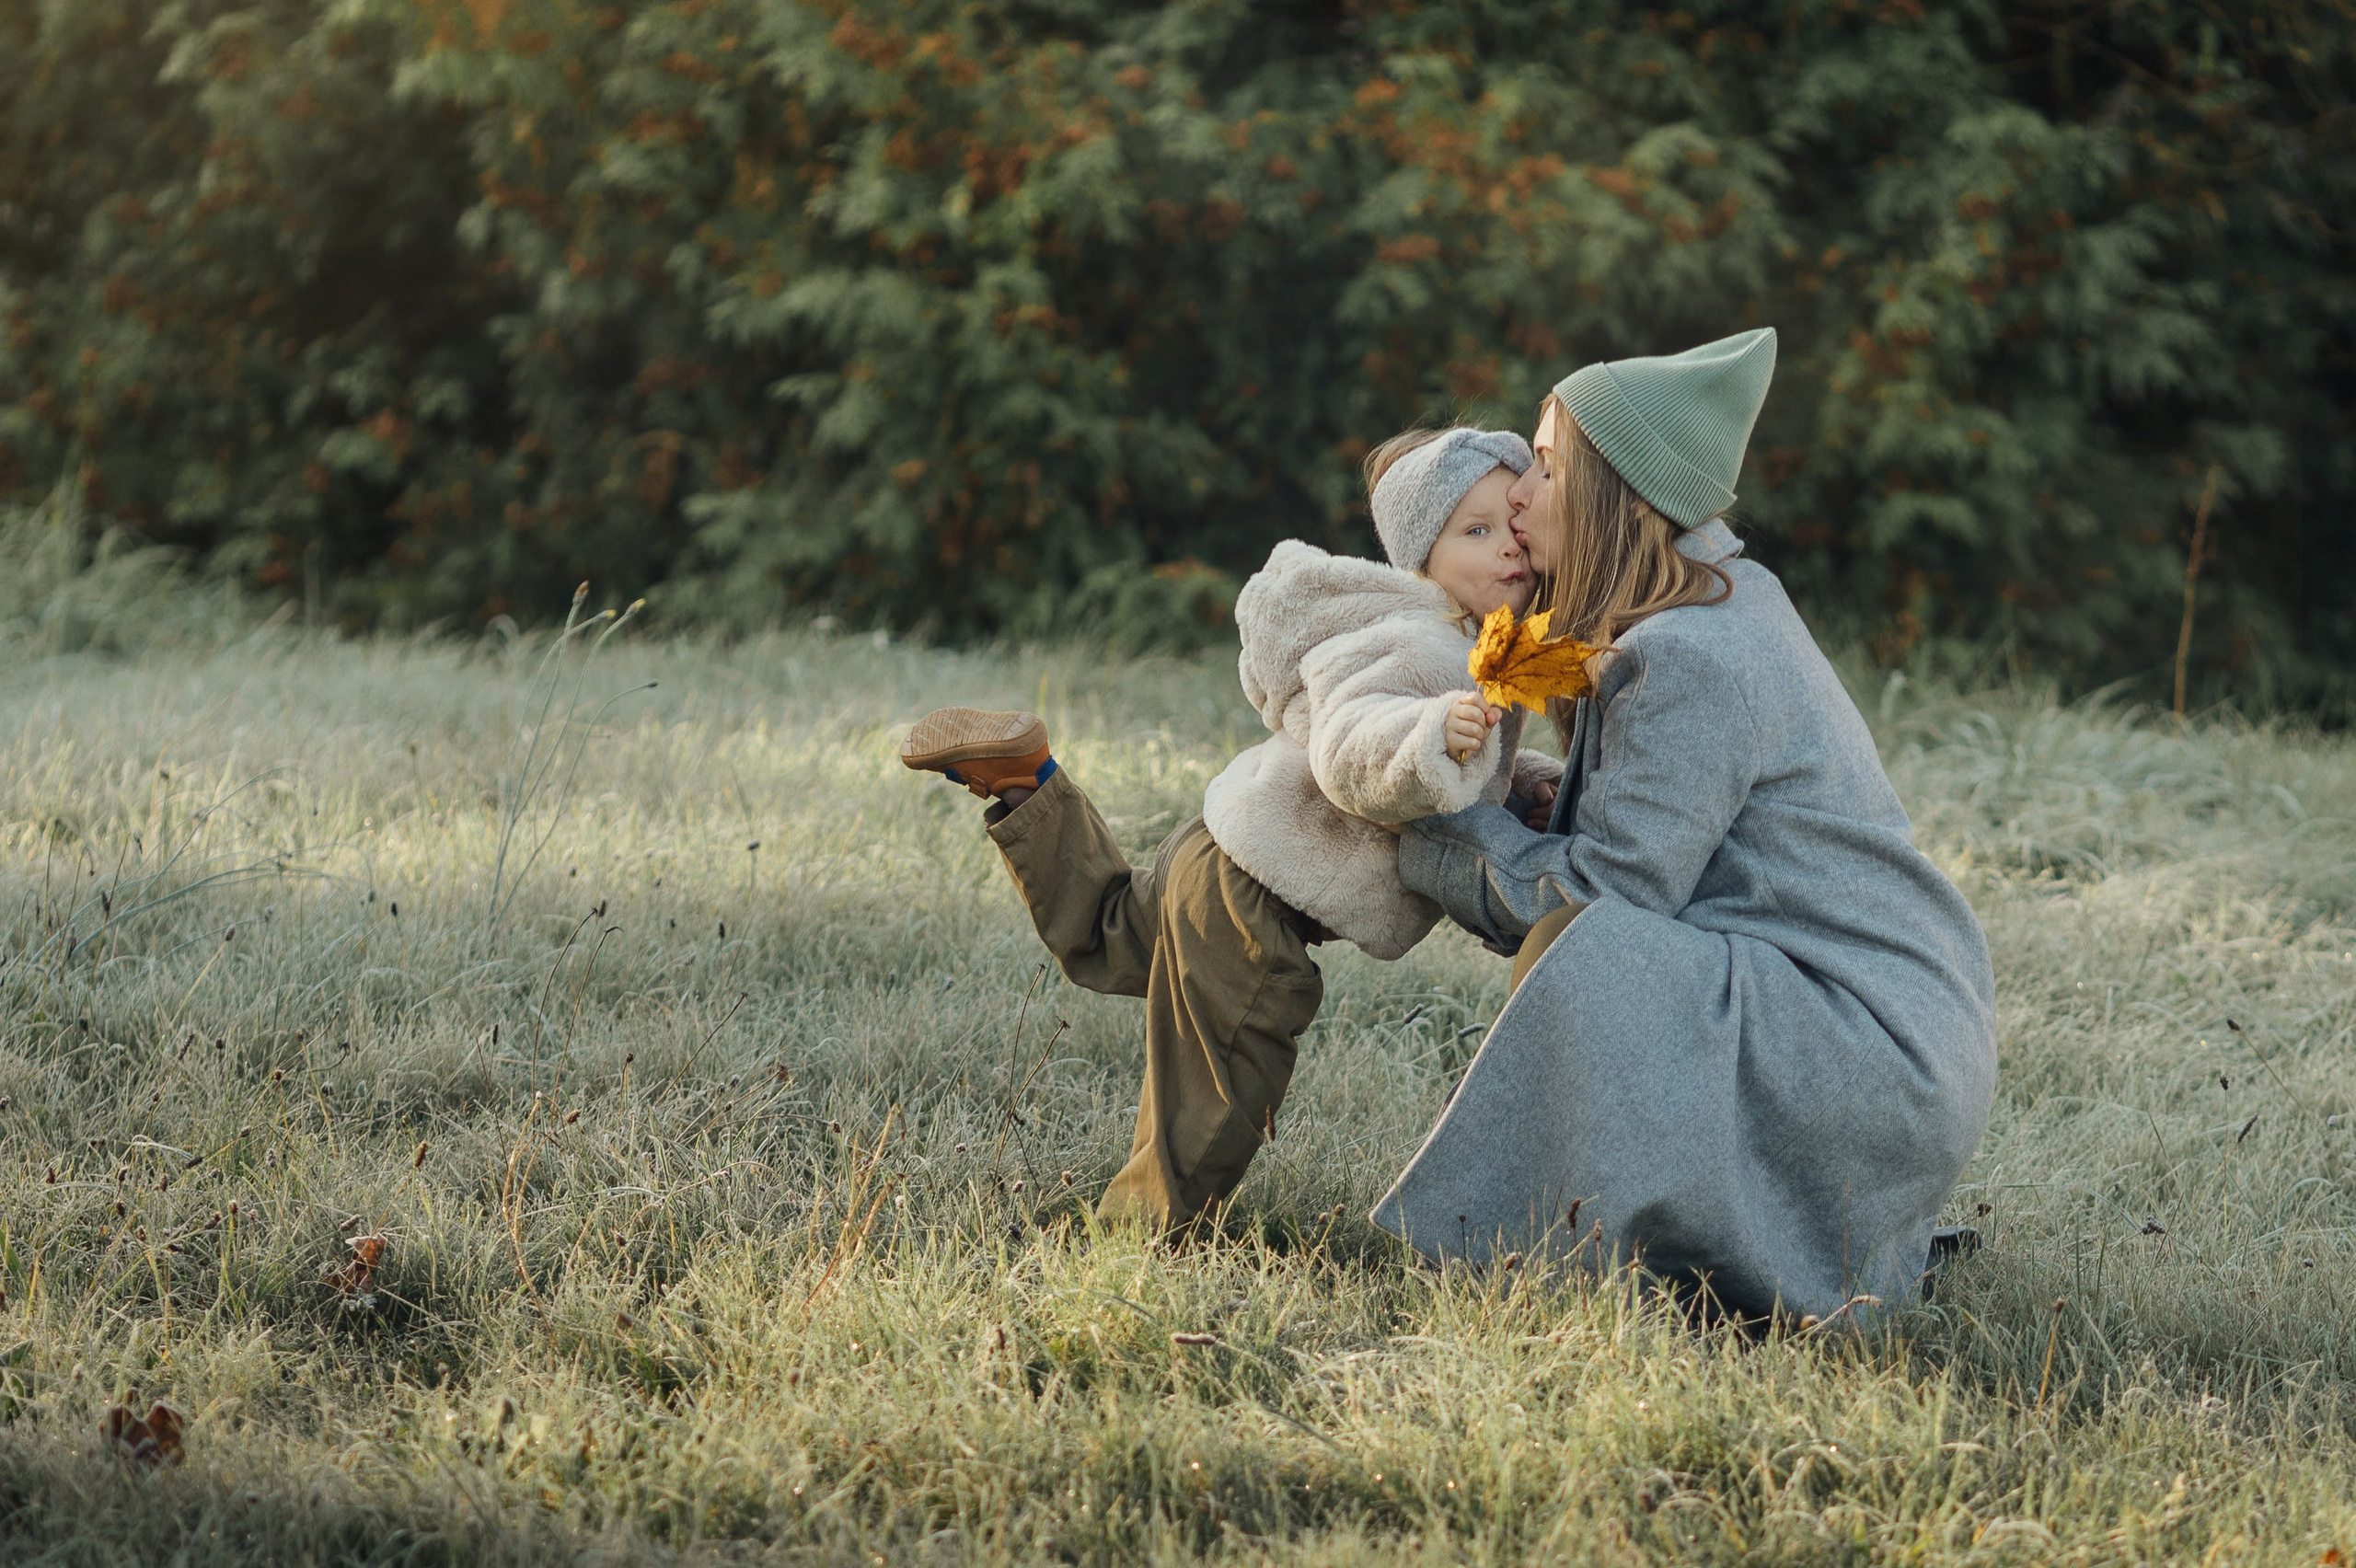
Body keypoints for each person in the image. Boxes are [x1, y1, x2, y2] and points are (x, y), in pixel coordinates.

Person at [1371, 329, 1998, 1322]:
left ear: (1619, 494)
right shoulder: (1710, 600)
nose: (1517, 495)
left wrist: (1426, 833)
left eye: (1543, 465)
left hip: (1863, 1050)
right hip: (1876, 1025)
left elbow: (1601, 897)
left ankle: (1546, 1255)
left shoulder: (1694, 653)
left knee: (1591, 944)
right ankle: (1608, 1238)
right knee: (1597, 940)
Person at [900, 427, 1564, 1229]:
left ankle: (1026, 780)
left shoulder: (1470, 645)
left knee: (1114, 935)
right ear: (1422, 558)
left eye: (1515, 526)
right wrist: (1429, 737)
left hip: (1225, 849)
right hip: (1257, 896)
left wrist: (1519, 781)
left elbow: (1464, 769)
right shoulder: (1426, 642)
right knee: (1220, 1080)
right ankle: (1137, 1247)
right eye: (1476, 531)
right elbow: (1354, 744)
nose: (1510, 551)